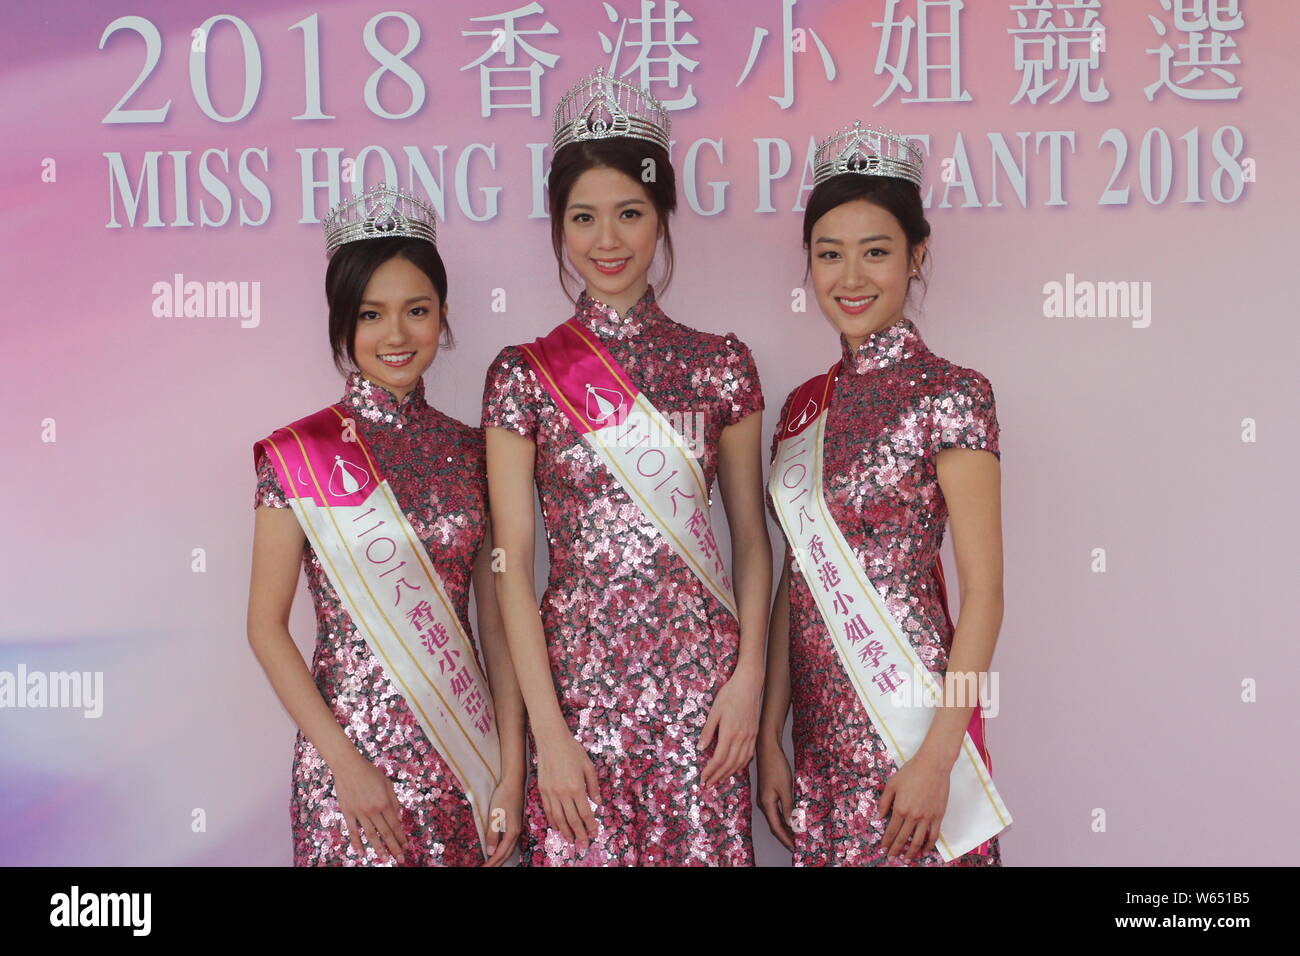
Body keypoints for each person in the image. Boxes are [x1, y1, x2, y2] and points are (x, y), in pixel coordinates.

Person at [481, 68, 772, 866]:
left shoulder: (721, 365)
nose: (607, 241)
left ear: (662, 217)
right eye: (584, 218)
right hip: (576, 694)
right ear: (559, 227)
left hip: (705, 700)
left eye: (629, 214)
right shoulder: (524, 374)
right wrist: (548, 730)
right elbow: (510, 561)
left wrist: (747, 682)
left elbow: (752, 539)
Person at [757, 122, 1012, 866]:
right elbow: (795, 580)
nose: (851, 277)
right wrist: (773, 736)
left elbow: (987, 594)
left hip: (912, 718)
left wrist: (939, 757)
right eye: (829, 255)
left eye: (876, 252)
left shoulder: (953, 394)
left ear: (916, 256)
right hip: (820, 735)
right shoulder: (803, 406)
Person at [247, 183, 524, 866]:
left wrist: (513, 774)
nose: (395, 335)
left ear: (444, 317)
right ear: (342, 323)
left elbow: (495, 625)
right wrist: (345, 764)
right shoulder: (298, 454)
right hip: (348, 776)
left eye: (416, 311)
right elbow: (265, 626)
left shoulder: (474, 451)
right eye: (371, 315)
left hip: (465, 761)